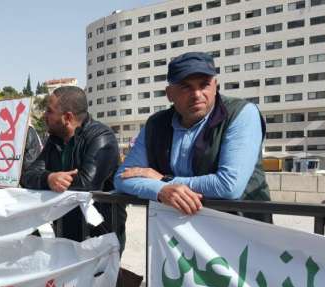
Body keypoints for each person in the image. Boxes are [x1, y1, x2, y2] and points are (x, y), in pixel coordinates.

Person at [114, 52, 271, 222]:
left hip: (240, 233)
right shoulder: (156, 124)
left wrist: (164, 180)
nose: (197, 94)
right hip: (180, 236)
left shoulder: (241, 113)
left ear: (216, 86)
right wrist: (160, 190)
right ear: (169, 93)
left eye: (204, 85)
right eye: (186, 87)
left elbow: (229, 186)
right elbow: (122, 177)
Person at [21, 86, 126, 248]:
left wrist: (53, 179)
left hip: (100, 235)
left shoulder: (101, 136)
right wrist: (49, 178)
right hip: (65, 233)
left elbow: (87, 184)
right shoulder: (54, 139)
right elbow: (29, 175)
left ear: (67, 117)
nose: (44, 116)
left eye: (49, 111)